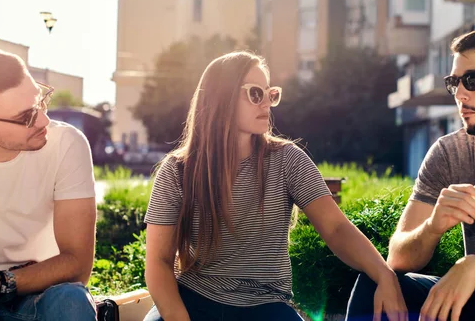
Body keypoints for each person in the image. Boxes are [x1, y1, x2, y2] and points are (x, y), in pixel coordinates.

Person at [142, 51, 407, 321]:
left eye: (271, 94)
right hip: (193, 299)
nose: (267, 103)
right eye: (256, 93)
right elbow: (158, 262)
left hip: (266, 305)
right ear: (222, 97)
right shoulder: (177, 170)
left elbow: (336, 228)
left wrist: (384, 275)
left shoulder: (287, 160)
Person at [346, 26, 475, 321]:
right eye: (454, 82)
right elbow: (399, 257)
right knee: (376, 282)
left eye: (473, 80)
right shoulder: (449, 152)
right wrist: (432, 226)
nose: (460, 95)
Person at [0, 48, 97, 320]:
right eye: (25, 117)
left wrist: (0, 284)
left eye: (40, 100)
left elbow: (78, 263)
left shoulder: (66, 143)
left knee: (71, 301)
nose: (44, 119)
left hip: (38, 292)